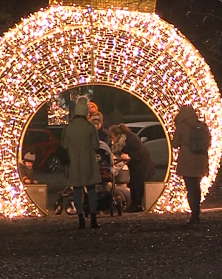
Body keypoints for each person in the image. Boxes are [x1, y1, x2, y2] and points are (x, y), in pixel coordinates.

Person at [63, 96, 101, 229]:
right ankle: (94, 219)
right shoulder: (89, 127)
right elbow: (96, 146)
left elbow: (64, 145)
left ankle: (80, 219)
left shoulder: (69, 128)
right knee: (91, 190)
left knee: (77, 191)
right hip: (88, 162)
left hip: (74, 163)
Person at [172, 105, 210, 224]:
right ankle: (197, 212)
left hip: (187, 159)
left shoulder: (182, 126)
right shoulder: (202, 126)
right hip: (201, 159)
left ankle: (193, 214)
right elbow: (209, 141)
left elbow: (175, 143)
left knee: (190, 187)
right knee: (197, 187)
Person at [109, 123, 155, 212]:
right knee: (133, 182)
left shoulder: (131, 139)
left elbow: (139, 152)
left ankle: (137, 205)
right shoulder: (123, 141)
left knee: (138, 183)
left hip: (142, 162)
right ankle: (133, 204)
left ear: (118, 135)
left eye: (113, 138)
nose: (112, 141)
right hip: (135, 163)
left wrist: (129, 156)